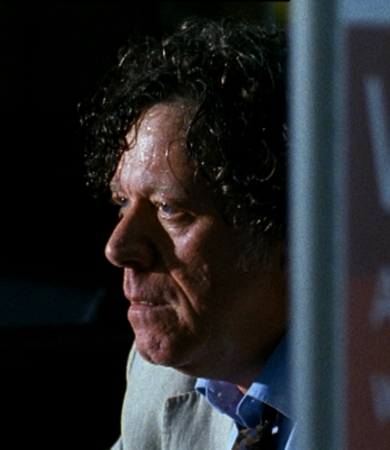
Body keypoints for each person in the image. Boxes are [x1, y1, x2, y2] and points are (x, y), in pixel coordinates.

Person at [80, 18, 292, 449]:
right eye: (123, 202)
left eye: (169, 209)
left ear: (288, 230)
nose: (118, 247)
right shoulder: (160, 377)